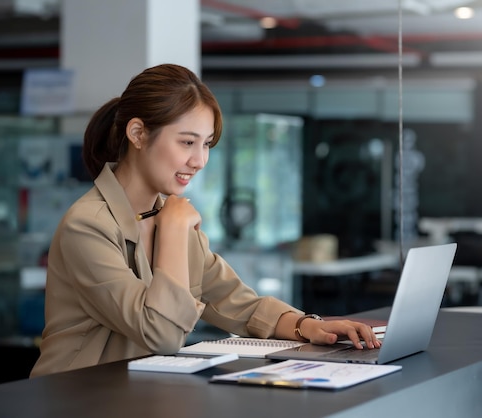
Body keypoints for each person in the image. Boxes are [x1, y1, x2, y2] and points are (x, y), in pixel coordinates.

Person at [29, 63, 380, 377]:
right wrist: (173, 230)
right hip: (75, 400)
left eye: (207, 144)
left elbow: (237, 303)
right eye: (187, 142)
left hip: (138, 395)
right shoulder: (89, 225)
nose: (199, 160)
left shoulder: (168, 214)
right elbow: (162, 334)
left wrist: (309, 326)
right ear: (137, 134)